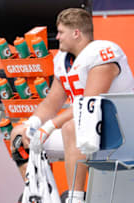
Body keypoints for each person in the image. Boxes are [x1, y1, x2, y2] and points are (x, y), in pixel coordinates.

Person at [10, 8, 134, 203]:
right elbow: (51, 102)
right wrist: (34, 124)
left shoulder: (102, 54)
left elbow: (89, 104)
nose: (57, 37)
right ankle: (40, 196)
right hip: (90, 134)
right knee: (19, 135)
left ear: (76, 33)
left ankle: (76, 198)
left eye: (61, 32)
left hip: (120, 131)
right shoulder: (63, 60)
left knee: (73, 127)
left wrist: (50, 126)